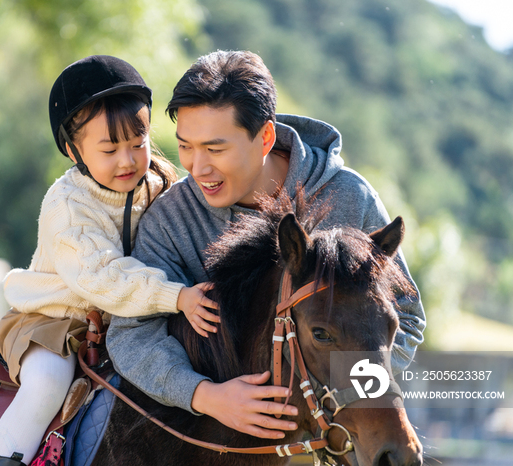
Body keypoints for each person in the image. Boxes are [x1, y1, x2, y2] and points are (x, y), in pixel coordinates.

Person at [107, 50, 426, 440]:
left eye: (215, 148)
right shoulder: (170, 218)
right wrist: (205, 396)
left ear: (266, 137)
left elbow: (405, 317)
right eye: (185, 146)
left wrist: (339, 400)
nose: (197, 167)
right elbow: (131, 332)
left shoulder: (350, 197)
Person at [0, 55, 219, 466]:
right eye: (109, 149)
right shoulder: (69, 207)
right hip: (54, 322)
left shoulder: (160, 182)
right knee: (46, 386)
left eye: (137, 144)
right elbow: (104, 277)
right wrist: (178, 297)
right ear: (74, 150)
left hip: (128, 321)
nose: (127, 161)